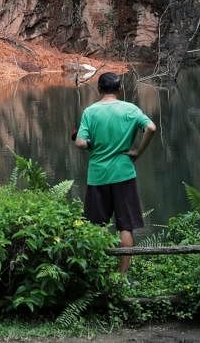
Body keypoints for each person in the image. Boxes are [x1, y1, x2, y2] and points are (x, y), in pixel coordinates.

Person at [73, 72, 156, 275]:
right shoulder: (130, 109)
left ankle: (99, 272)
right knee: (125, 227)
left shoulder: (90, 112)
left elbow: (80, 142)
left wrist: (91, 142)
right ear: (119, 89)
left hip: (98, 175)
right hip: (124, 173)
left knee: (96, 226)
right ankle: (122, 276)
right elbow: (151, 128)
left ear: (99, 89)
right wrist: (137, 151)